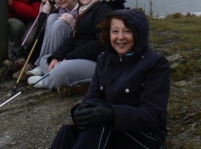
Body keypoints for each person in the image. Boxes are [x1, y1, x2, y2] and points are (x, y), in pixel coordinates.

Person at [50, 9, 171, 148]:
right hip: (112, 129)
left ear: (139, 34)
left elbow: (153, 114)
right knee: (68, 132)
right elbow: (92, 98)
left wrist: (111, 114)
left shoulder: (155, 63)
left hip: (145, 136)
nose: (120, 37)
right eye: (115, 31)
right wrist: (80, 112)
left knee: (98, 124)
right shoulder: (104, 59)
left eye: (127, 31)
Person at [28, 0, 126, 96]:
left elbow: (101, 43)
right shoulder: (85, 9)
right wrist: (58, 56)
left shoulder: (103, 9)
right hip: (84, 57)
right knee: (46, 60)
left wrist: (69, 57)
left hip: (99, 61)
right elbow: (76, 38)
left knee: (61, 70)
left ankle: (49, 81)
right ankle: (73, 79)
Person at [11, 0, 62, 79]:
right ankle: (27, 59)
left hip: (59, 29)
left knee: (42, 33)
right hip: (47, 26)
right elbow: (41, 18)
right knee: (39, 32)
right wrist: (45, 4)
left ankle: (31, 63)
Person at [25, 0, 78, 78]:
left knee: (59, 23)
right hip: (64, 37)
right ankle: (43, 62)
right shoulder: (62, 8)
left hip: (74, 40)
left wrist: (74, 23)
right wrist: (49, 3)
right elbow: (41, 22)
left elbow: (83, 30)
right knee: (52, 17)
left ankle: (46, 64)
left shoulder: (80, 9)